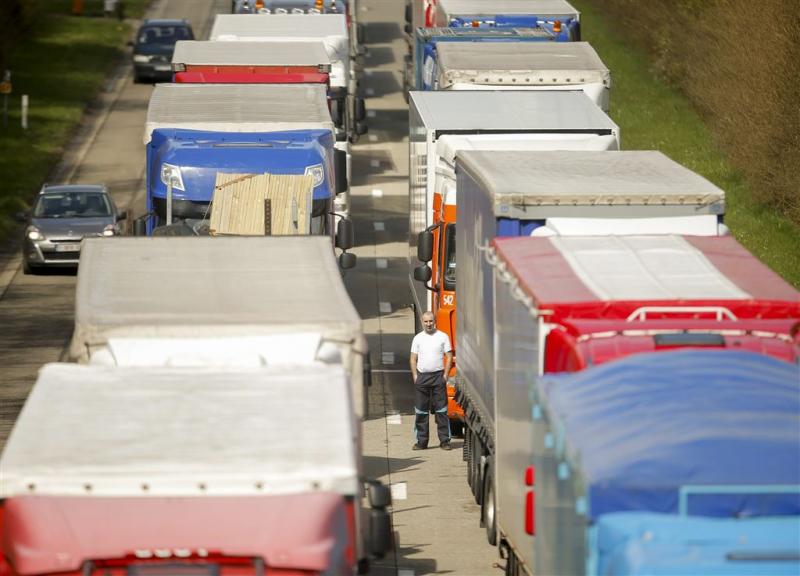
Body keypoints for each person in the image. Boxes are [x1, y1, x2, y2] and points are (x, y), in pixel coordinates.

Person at [410, 311, 453, 450]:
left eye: (431, 321)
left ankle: (444, 441)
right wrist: (415, 376)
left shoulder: (443, 337)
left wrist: (445, 375)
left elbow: (449, 356)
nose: (428, 324)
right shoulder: (418, 338)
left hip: (438, 377)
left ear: (435, 322)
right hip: (422, 378)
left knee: (441, 411)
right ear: (422, 322)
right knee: (421, 412)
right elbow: (413, 358)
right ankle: (422, 442)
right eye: (426, 321)